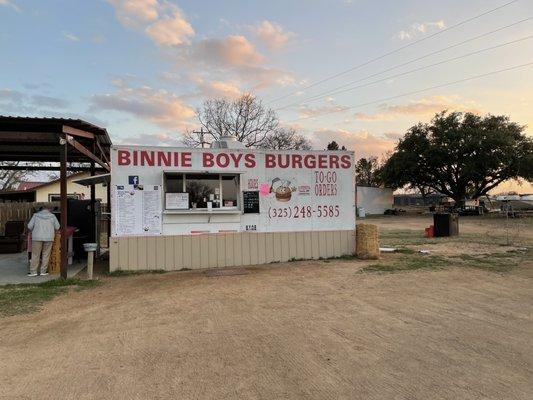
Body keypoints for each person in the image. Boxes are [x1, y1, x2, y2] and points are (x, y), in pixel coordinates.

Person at [27, 207, 60, 276]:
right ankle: (43, 271)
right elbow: (57, 227)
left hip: (37, 237)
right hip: (49, 237)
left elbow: (29, 226)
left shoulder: (35, 215)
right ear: (49, 210)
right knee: (46, 254)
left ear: (40, 210)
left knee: (35, 255)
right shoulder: (52, 216)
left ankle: (33, 272)